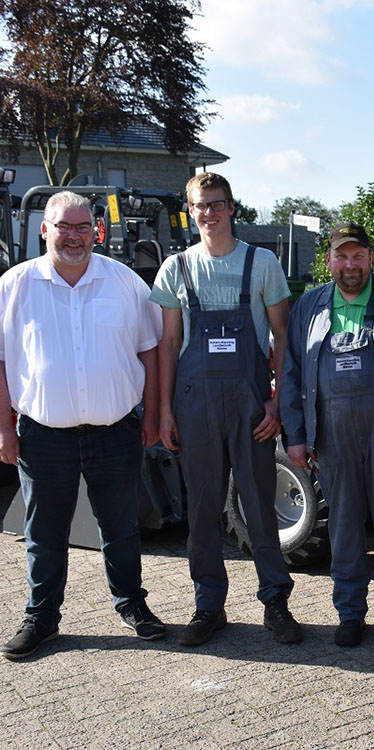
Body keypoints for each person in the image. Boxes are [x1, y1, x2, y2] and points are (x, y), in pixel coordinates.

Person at [0, 191, 165, 659]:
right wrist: (5, 429)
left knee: (121, 527)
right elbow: (2, 361)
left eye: (82, 227)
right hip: (42, 436)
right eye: (63, 226)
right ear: (44, 230)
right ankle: (41, 617)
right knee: (44, 533)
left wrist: (153, 414)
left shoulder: (125, 282)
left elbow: (150, 351)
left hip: (115, 432)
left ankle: (132, 605)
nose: (73, 236)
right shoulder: (14, 286)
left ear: (97, 231)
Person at [152, 173, 302, 647]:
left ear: (232, 207)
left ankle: (276, 601)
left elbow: (283, 336)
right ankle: (208, 606)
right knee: (201, 508)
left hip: (251, 405)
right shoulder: (176, 267)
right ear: (190, 210)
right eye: (201, 205)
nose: (209, 213)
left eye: (217, 204)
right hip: (194, 405)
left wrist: (277, 400)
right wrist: (165, 411)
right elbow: (169, 343)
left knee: (259, 504)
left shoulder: (261, 263)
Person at [281, 221, 374, 650]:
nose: (350, 264)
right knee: (344, 531)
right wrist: (296, 435)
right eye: (342, 256)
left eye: (358, 256)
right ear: (329, 260)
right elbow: (290, 373)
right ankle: (350, 614)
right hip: (332, 440)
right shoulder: (309, 306)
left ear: (370, 258)